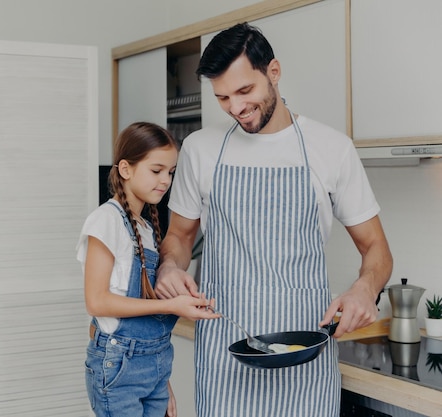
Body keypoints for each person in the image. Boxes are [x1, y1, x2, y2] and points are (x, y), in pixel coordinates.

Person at [154, 23, 393, 417]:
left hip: (306, 359)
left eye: (245, 91)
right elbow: (179, 237)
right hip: (225, 358)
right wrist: (168, 268)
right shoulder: (199, 149)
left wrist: (365, 289)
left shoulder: (332, 149)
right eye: (223, 97)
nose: (235, 108)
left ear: (274, 72)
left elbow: (376, 248)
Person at [77, 121, 218, 417]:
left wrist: (161, 380)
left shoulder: (145, 228)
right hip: (119, 367)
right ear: (126, 169)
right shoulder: (106, 220)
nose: (165, 180)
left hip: (154, 365)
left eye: (170, 172)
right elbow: (97, 301)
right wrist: (173, 305)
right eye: (156, 171)